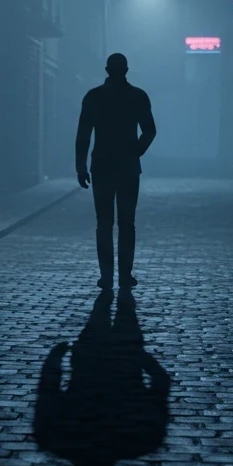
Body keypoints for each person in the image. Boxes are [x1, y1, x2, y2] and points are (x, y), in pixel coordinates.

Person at [75, 53, 157, 289]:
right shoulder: (137, 96)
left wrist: (80, 165)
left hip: (101, 165)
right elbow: (150, 130)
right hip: (128, 167)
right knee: (127, 223)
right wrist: (136, 151)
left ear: (107, 70)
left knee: (104, 223)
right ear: (126, 70)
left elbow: (83, 135)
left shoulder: (94, 97)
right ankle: (124, 275)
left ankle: (107, 275)